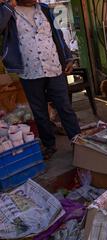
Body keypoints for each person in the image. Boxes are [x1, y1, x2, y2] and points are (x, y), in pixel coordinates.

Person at [0, 0, 80, 160]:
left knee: (64, 107)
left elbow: (58, 35)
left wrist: (68, 58)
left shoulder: (45, 9)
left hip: (54, 67)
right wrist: (10, 5)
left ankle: (77, 142)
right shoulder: (8, 10)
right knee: (39, 111)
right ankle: (49, 145)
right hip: (29, 71)